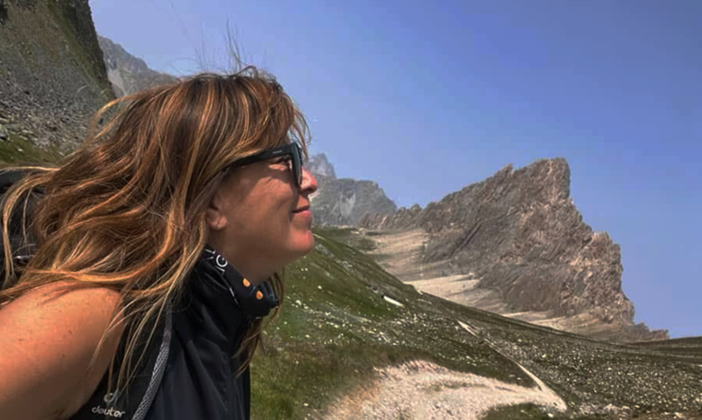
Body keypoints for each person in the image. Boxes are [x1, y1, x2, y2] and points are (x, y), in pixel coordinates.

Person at [0, 66, 318, 419]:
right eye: (286, 160)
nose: (309, 181)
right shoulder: (95, 313)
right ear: (212, 200)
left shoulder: (225, 332)